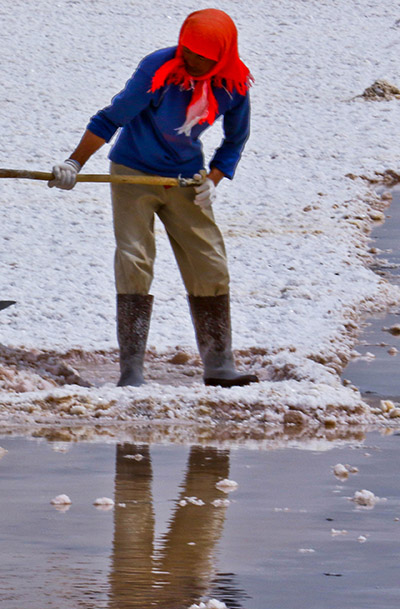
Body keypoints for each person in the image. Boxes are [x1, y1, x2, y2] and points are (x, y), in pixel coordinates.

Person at [48, 8, 259, 388]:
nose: (194, 63)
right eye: (190, 53)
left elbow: (235, 139)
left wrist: (212, 180)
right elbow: (111, 118)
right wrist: (74, 163)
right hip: (134, 172)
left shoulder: (233, 84)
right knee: (134, 258)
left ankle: (219, 364)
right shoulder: (158, 69)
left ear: (223, 56)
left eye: (205, 58)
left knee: (209, 260)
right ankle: (131, 371)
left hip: (185, 180)